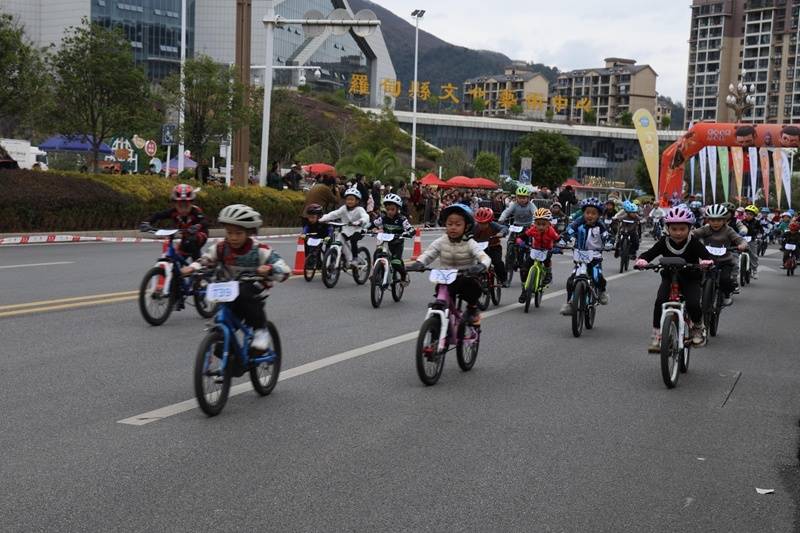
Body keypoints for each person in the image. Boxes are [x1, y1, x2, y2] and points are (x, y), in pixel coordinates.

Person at [181, 204, 290, 351]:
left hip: (255, 289)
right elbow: (206, 259)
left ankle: (261, 331)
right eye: (229, 233)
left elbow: (285, 270)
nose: (233, 237)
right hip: (229, 290)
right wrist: (192, 268)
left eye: (238, 233)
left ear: (249, 232)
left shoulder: (260, 250)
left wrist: (269, 269)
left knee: (244, 292)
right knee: (220, 339)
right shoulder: (221, 248)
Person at [635, 206, 714, 352]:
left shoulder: (694, 242)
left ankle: (698, 327)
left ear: (690, 228)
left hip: (690, 278)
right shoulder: (663, 242)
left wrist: (706, 262)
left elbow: (705, 255)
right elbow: (650, 253)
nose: (678, 232)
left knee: (693, 304)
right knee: (660, 301)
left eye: (682, 229)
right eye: (674, 229)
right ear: (668, 228)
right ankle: (657, 334)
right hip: (669, 278)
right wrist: (642, 260)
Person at [407, 204, 491, 326]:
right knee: (440, 293)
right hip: (446, 278)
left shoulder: (470, 243)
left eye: (458, 224)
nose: (453, 227)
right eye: (450, 224)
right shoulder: (441, 241)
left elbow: (484, 257)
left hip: (466, 276)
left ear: (467, 226)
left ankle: (472, 309)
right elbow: (429, 253)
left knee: (473, 289)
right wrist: (419, 262)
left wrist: (481, 266)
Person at [559, 197, 611, 315]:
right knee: (571, 281)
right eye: (587, 212)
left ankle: (602, 292)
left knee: (597, 277)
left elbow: (607, 236)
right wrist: (563, 240)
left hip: (595, 257)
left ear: (598, 215)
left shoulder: (601, 226)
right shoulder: (578, 223)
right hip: (580, 257)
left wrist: (609, 243)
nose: (590, 216)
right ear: (583, 213)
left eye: (593, 213)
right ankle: (570, 303)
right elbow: (569, 232)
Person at [693, 204, 747, 306]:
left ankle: (726, 295)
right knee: (696, 276)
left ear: (724, 220)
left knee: (725, 279)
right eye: (712, 220)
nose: (715, 223)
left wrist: (742, 245)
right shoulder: (706, 229)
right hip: (707, 260)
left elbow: (739, 239)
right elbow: (693, 234)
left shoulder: (728, 230)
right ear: (708, 220)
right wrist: (685, 235)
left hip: (724, 261)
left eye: (719, 220)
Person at [143, 184, 208, 260]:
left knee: (191, 242)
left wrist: (198, 226)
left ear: (191, 203)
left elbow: (205, 221)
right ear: (175, 204)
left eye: (186, 205)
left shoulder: (196, 211)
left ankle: (197, 262)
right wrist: (147, 222)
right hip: (186, 236)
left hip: (199, 235)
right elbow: (157, 215)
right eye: (180, 205)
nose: (183, 209)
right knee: (178, 258)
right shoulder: (173, 212)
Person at [320, 187, 370, 268]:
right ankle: (347, 258)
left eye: (352, 199)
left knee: (353, 240)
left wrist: (360, 221)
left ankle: (355, 259)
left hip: (359, 229)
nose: (349, 201)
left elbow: (365, 216)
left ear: (357, 201)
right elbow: (334, 214)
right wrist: (322, 219)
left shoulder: (360, 209)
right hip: (346, 230)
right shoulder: (343, 209)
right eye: (347, 199)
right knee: (340, 239)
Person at [518, 208, 560, 303]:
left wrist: (558, 247)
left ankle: (548, 273)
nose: (540, 227)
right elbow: (524, 236)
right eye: (538, 224)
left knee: (547, 260)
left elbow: (558, 239)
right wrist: (519, 241)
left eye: (543, 224)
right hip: (535, 249)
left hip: (547, 249)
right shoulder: (533, 229)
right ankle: (524, 290)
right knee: (524, 269)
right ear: (534, 223)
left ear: (549, 224)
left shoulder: (551, 231)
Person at [371, 194, 415, 283]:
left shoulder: (402, 219)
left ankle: (403, 274)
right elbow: (373, 224)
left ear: (398, 209)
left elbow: (411, 229)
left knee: (395, 263)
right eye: (387, 209)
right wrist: (365, 228)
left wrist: (409, 233)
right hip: (385, 242)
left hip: (397, 243)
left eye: (392, 209)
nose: (389, 212)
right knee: (377, 254)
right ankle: (377, 273)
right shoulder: (383, 218)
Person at [473, 207, 509, 285]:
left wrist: (501, 233)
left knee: (498, 263)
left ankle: (503, 280)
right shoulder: (474, 227)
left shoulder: (493, 225)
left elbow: (504, 228)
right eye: (480, 223)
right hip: (480, 249)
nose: (482, 225)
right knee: (476, 265)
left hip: (494, 247)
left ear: (489, 221)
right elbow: (466, 233)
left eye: (484, 223)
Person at [741, 205, 763, 279]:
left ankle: (754, 270)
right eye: (747, 214)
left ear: (754, 215)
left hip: (752, 240)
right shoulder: (742, 222)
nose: (748, 215)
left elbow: (761, 231)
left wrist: (759, 235)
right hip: (742, 240)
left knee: (753, 255)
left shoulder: (757, 222)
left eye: (750, 214)